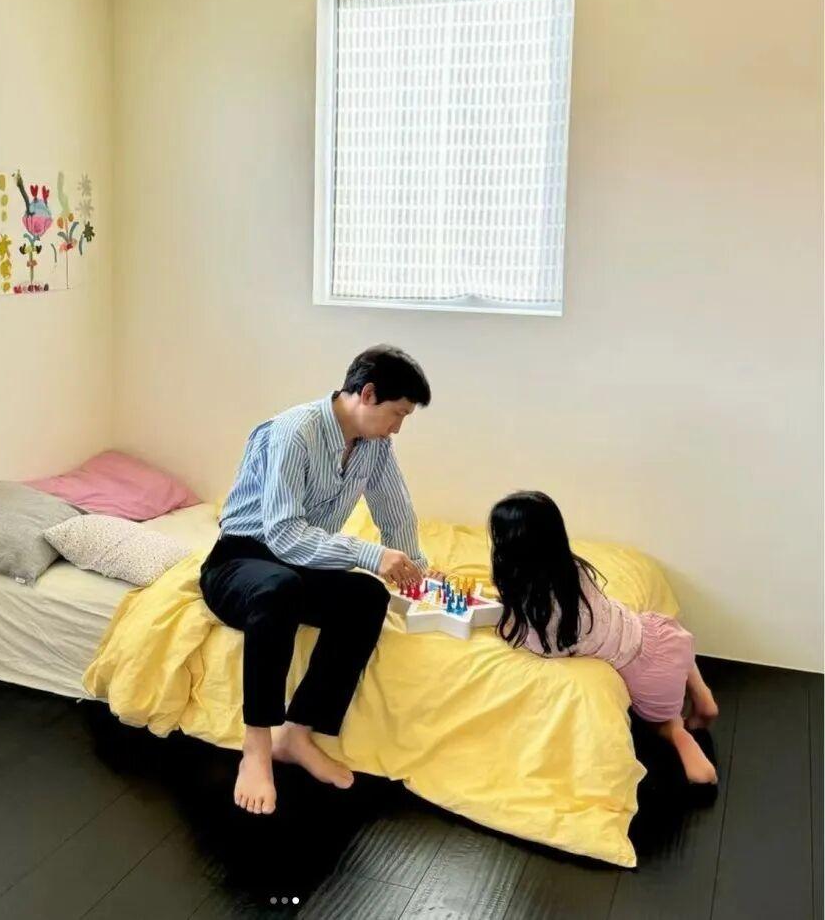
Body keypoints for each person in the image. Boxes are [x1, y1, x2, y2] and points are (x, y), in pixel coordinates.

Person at [200, 345, 434, 815]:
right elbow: (283, 534)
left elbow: (395, 510)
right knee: (278, 589)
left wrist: (415, 570)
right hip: (242, 560)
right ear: (368, 394)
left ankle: (297, 734)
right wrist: (369, 554)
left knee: (367, 596)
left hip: (298, 566)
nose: (397, 427)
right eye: (398, 413)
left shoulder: (375, 446)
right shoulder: (295, 431)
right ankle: (256, 748)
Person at [488, 490, 719, 784]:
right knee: (678, 648)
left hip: (649, 678)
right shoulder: (576, 571)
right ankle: (702, 695)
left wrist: (505, 613)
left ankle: (686, 745)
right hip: (659, 634)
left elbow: (536, 643)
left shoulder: (547, 626)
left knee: (664, 726)